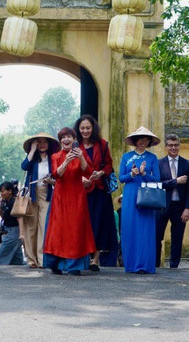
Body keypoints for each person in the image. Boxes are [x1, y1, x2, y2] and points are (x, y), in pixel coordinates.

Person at [43, 127, 96, 275]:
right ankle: (56, 263)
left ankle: (74, 265)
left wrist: (81, 157)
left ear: (74, 140)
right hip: (60, 196)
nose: (66, 140)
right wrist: (66, 161)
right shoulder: (55, 156)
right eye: (63, 137)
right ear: (60, 141)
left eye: (69, 137)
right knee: (58, 230)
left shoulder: (81, 153)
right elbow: (56, 174)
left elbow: (88, 171)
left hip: (77, 196)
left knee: (76, 229)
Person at [75, 115, 118, 269]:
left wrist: (100, 173)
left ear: (93, 128)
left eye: (88, 128)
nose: (85, 131)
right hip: (81, 191)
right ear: (78, 130)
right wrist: (80, 179)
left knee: (99, 224)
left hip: (100, 189)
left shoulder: (102, 144)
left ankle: (95, 260)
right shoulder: (75, 147)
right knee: (83, 224)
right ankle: (84, 256)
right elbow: (71, 168)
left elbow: (109, 165)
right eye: (82, 128)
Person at [119, 126, 161, 274]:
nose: (143, 142)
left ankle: (144, 265)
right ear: (135, 141)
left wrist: (144, 174)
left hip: (146, 196)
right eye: (140, 139)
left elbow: (157, 179)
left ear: (149, 141)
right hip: (130, 194)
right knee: (129, 228)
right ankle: (130, 265)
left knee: (145, 231)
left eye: (146, 139)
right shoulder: (126, 157)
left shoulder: (152, 158)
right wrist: (132, 174)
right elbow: (121, 177)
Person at [156, 134, 189, 268]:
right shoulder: (159, 164)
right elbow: (158, 184)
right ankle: (156, 265)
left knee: (177, 238)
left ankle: (174, 267)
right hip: (162, 205)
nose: (173, 148)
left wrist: (188, 208)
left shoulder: (187, 164)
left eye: (176, 145)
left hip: (180, 206)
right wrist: (175, 182)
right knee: (157, 237)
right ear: (166, 147)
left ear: (179, 146)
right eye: (171, 145)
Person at [20, 132, 58, 268]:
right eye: (39, 142)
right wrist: (32, 150)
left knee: (44, 226)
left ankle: (42, 259)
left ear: (49, 145)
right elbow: (24, 166)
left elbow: (57, 177)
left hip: (46, 193)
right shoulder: (32, 159)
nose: (42, 145)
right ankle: (31, 259)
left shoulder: (53, 158)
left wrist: (51, 181)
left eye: (44, 142)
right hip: (31, 194)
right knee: (30, 227)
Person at [0, 182, 26, 265]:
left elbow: (19, 218)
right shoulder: (6, 202)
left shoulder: (14, 202)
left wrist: (21, 234)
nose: (1, 194)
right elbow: (6, 218)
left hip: (13, 233)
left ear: (10, 191)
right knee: (17, 262)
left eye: (3, 191)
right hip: (10, 231)